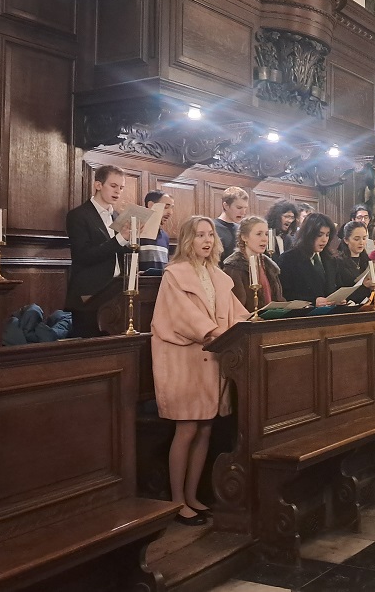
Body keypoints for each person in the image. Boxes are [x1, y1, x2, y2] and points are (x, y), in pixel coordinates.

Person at [151, 216, 249, 526]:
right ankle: (176, 500)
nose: (206, 240)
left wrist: (252, 323)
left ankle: (192, 496)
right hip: (184, 361)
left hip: (212, 359)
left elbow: (236, 313)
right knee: (188, 428)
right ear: (188, 240)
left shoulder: (218, 276)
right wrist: (214, 331)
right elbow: (182, 317)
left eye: (210, 235)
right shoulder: (174, 275)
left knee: (205, 428)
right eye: (199, 235)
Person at [65, 165, 129, 338]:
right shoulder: (78, 215)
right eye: (113, 186)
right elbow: (83, 255)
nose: (118, 191)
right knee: (89, 352)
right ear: (98, 185)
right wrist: (120, 239)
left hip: (115, 294)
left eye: (121, 188)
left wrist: (134, 237)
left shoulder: (117, 217)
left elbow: (119, 253)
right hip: (90, 296)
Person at [223, 216, 283, 312]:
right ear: (244, 237)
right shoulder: (234, 267)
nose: (265, 239)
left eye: (266, 234)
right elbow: (236, 306)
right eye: (259, 234)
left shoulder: (269, 265)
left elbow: (278, 299)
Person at [278, 212, 339, 306]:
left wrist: (338, 299)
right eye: (320, 235)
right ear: (308, 234)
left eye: (327, 235)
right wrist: (312, 301)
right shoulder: (289, 259)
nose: (324, 240)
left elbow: (333, 287)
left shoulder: (330, 258)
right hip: (303, 316)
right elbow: (286, 294)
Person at [138, 190, 175, 273]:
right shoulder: (135, 233)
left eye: (172, 208)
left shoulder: (165, 237)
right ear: (151, 205)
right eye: (166, 207)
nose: (170, 212)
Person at [214, 187, 249, 264]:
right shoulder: (213, 228)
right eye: (239, 207)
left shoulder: (241, 229)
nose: (243, 212)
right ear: (226, 206)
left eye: (245, 208)